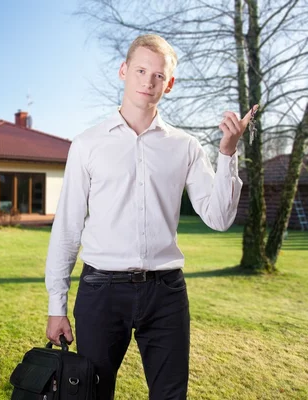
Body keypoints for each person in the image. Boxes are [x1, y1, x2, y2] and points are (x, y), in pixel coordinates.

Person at [44, 34, 256, 400]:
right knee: (90, 396)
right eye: (141, 70)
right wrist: (55, 306)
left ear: (169, 84)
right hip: (100, 293)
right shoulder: (87, 144)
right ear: (123, 71)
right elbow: (67, 228)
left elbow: (220, 218)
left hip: (166, 294)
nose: (148, 80)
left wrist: (227, 153)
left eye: (158, 75)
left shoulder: (185, 147)